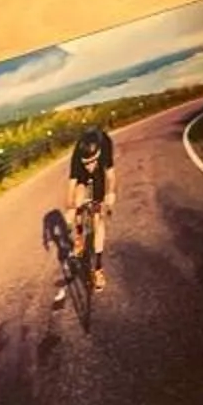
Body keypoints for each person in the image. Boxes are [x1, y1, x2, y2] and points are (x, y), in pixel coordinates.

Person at [55, 124, 117, 305]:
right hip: (80, 180)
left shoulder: (105, 145)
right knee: (78, 197)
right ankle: (80, 235)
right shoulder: (78, 157)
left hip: (100, 177)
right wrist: (70, 209)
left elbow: (111, 176)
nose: (89, 166)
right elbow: (71, 186)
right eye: (86, 163)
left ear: (98, 154)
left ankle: (97, 269)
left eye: (92, 162)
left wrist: (110, 194)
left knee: (98, 220)